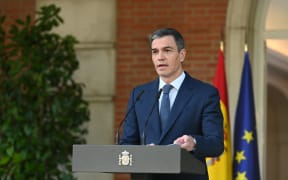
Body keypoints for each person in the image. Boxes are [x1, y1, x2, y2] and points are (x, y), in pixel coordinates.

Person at [120, 28, 224, 180]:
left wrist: (193, 142)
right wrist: (142, 153)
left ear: (182, 55)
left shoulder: (205, 94)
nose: (160, 57)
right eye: (155, 52)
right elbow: (127, 144)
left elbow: (216, 144)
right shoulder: (139, 94)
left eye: (167, 50)